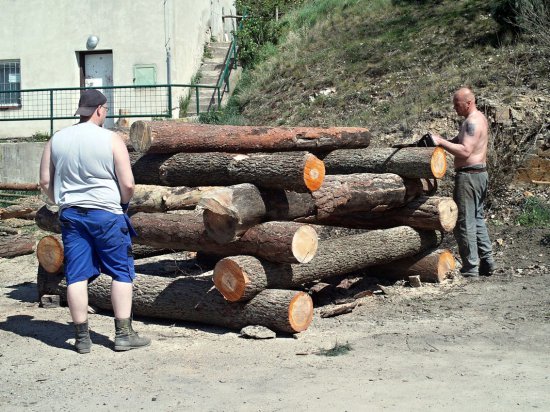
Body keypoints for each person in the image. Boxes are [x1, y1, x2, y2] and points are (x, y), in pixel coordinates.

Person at [39, 89, 151, 353]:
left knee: (76, 274)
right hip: (106, 214)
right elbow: (128, 183)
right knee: (121, 272)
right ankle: (123, 334)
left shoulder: (56, 139)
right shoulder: (111, 139)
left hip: (72, 214)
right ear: (100, 109)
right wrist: (122, 203)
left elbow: (45, 181)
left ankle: (81, 338)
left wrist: (61, 200)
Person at [431, 87, 495, 277]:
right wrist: (441, 142)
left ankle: (470, 268)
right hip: (479, 175)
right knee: (476, 219)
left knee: (464, 223)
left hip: (469, 177)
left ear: (468, 103)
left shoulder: (471, 122)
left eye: (457, 104)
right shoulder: (478, 118)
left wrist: (441, 142)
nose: (454, 108)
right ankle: (487, 261)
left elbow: (465, 151)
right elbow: (461, 142)